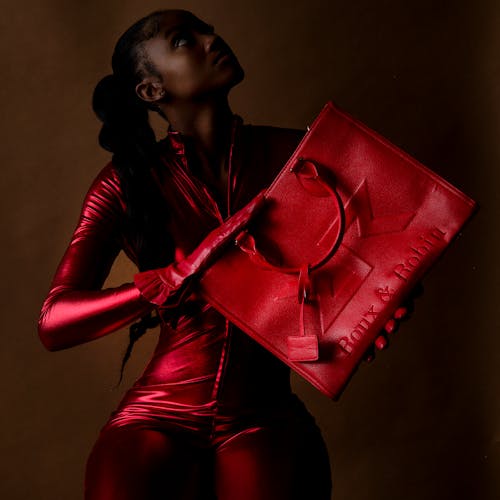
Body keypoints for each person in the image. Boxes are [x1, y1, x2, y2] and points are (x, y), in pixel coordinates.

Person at [38, 9, 409, 499]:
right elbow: (53, 320)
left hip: (266, 415)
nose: (213, 38)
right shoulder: (124, 182)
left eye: (207, 29)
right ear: (151, 91)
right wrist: (174, 278)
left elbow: (384, 245)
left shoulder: (303, 157)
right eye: (182, 40)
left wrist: (376, 303)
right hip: (155, 416)